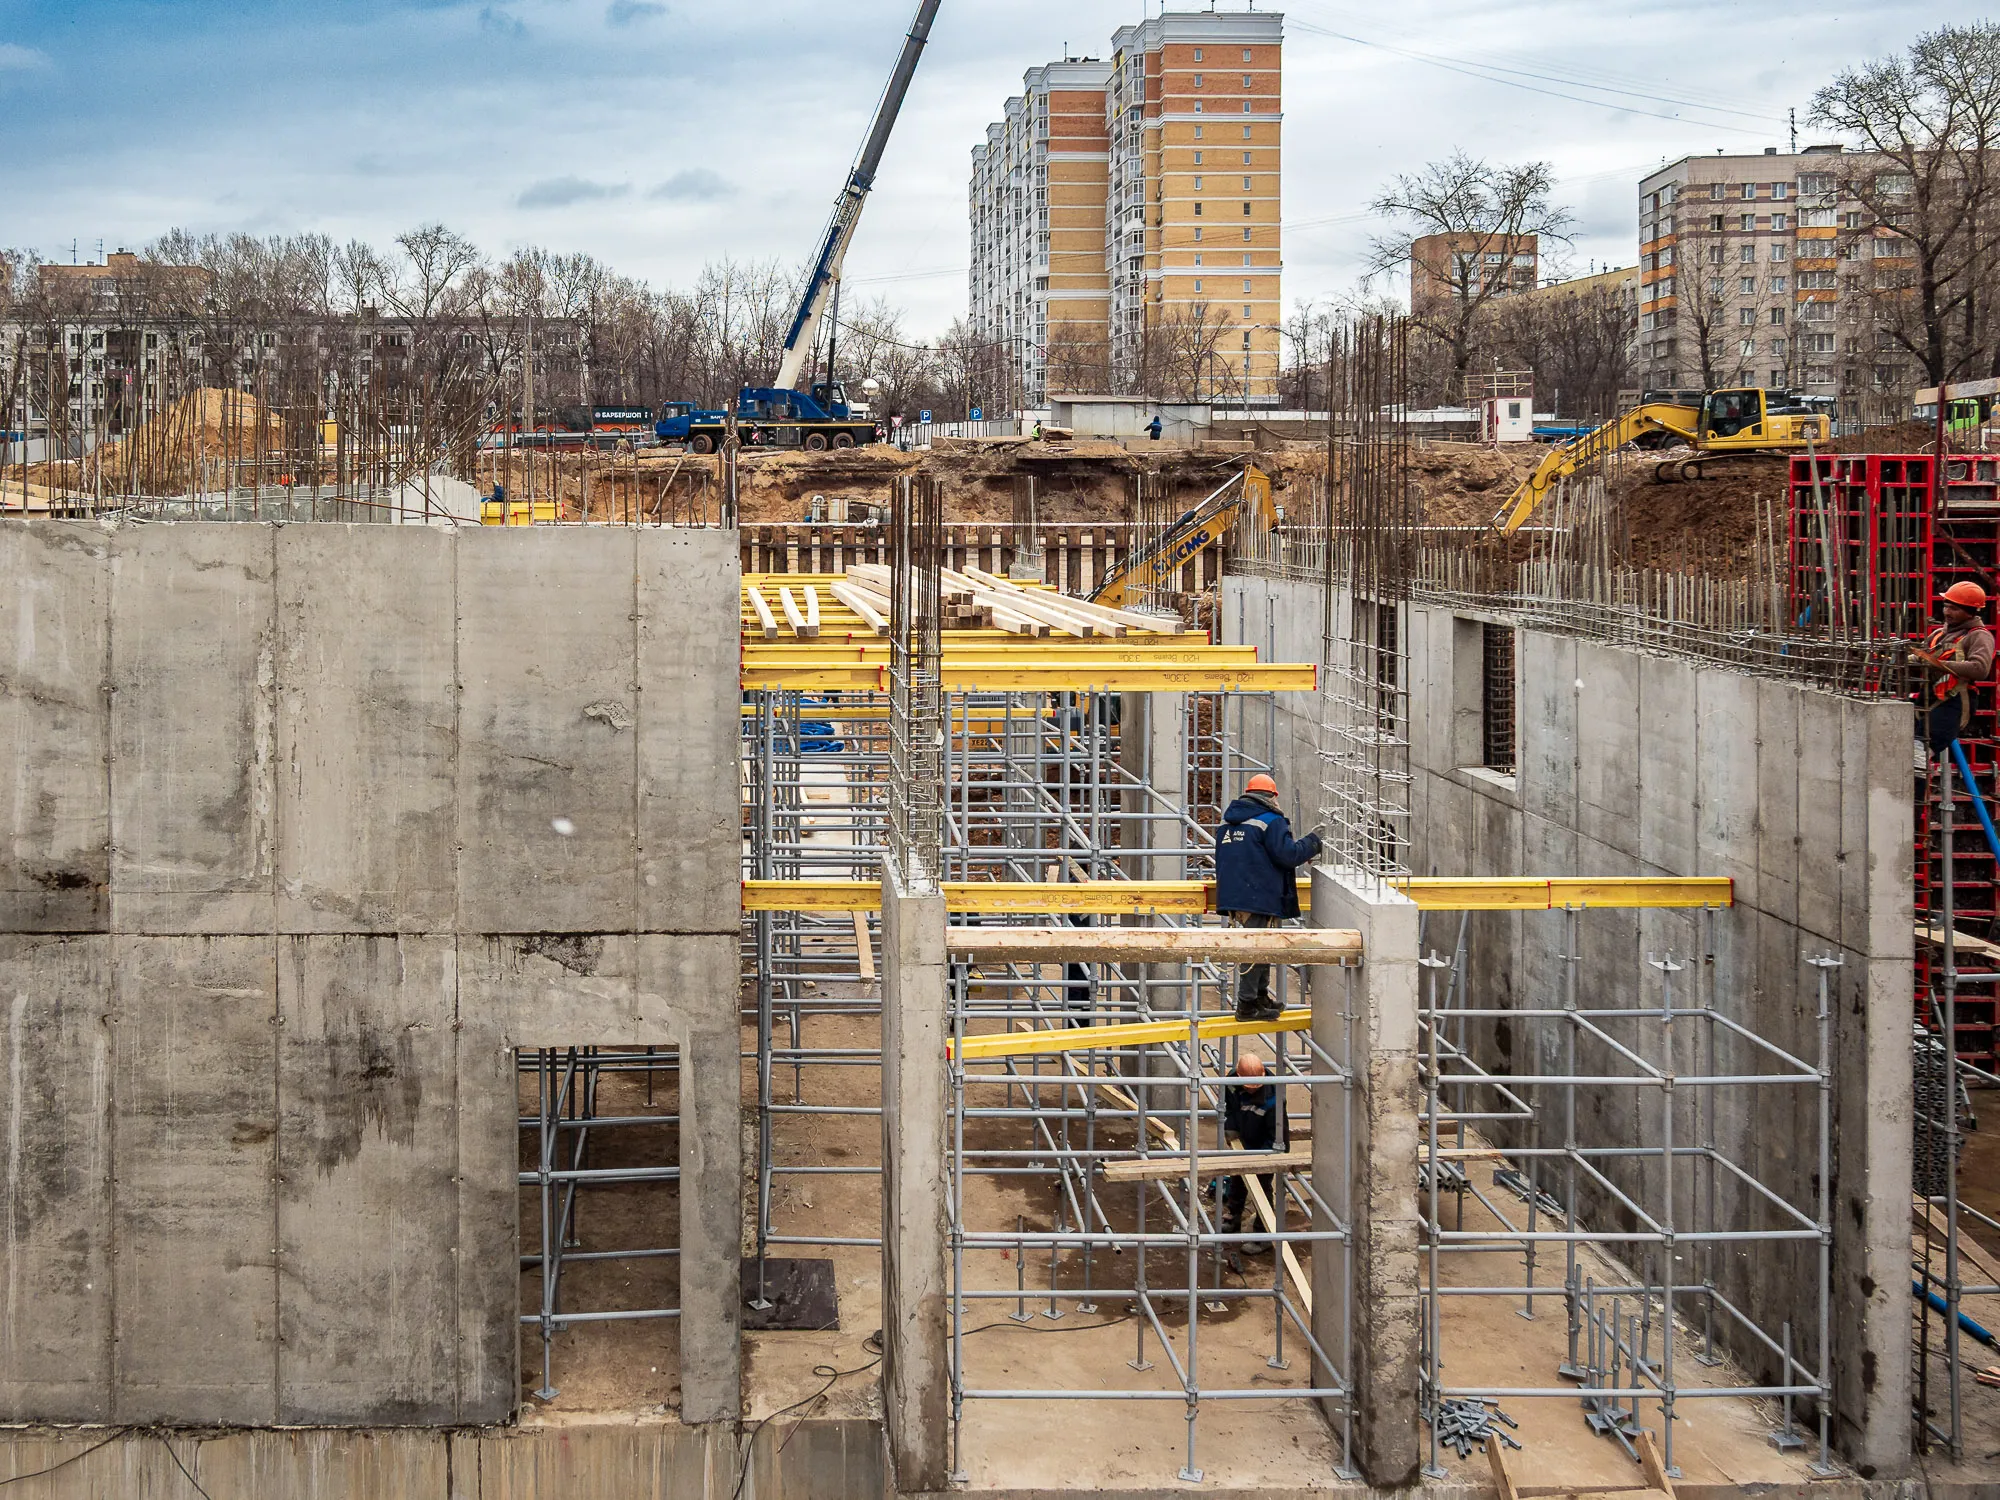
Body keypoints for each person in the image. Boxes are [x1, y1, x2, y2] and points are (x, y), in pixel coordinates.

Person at [1214, 773, 1323, 1021]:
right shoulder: (1271, 821)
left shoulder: (1228, 823)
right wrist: (1314, 842)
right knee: (1256, 950)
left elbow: (1250, 855)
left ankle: (1260, 997)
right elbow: (1287, 855)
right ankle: (1246, 1004)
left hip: (1235, 896)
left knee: (1262, 947)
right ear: (1272, 796)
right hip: (1259, 896)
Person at [1914, 581, 1995, 755]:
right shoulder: (1938, 634)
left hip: (1953, 703)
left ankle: (1916, 783)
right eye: (1946, 606)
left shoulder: (1979, 636)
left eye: (1954, 609)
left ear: (1970, 612)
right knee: (1905, 745)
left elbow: (1980, 669)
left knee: (1918, 752)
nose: (1947, 612)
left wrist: (1937, 664)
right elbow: (1920, 656)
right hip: (1929, 697)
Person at [1219, 1053, 1285, 1254]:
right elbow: (1230, 1107)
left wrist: (1265, 1158)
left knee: (1262, 1189)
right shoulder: (1231, 1083)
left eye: (1253, 1087)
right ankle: (1233, 1217)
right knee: (1238, 1180)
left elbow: (1278, 1136)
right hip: (1243, 1140)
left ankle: (1262, 1235)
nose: (1249, 1089)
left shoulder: (1273, 1098)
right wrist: (1230, 1126)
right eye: (1247, 1086)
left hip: (1264, 1145)